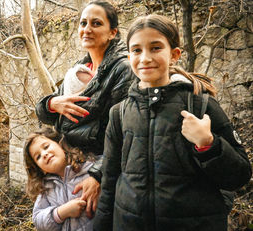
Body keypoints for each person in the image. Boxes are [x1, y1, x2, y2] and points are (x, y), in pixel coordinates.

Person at [94, 14, 252, 231]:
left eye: (156, 48)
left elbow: (240, 176)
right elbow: (110, 182)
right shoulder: (119, 114)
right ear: (128, 55)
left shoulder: (201, 106)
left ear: (174, 54)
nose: (145, 58)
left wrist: (208, 144)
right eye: (137, 50)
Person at [35, 0, 136, 217]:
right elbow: (44, 114)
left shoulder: (123, 69)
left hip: (99, 170)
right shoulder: (79, 69)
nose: (87, 29)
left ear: (112, 32)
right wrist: (52, 104)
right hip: (72, 166)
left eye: (96, 23)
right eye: (83, 23)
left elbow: (123, 132)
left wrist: (99, 177)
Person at [24, 127, 95, 231]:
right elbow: (37, 220)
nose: (44, 154)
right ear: (39, 168)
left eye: (46, 147)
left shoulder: (89, 170)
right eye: (38, 157)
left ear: (60, 144)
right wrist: (61, 212)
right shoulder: (45, 187)